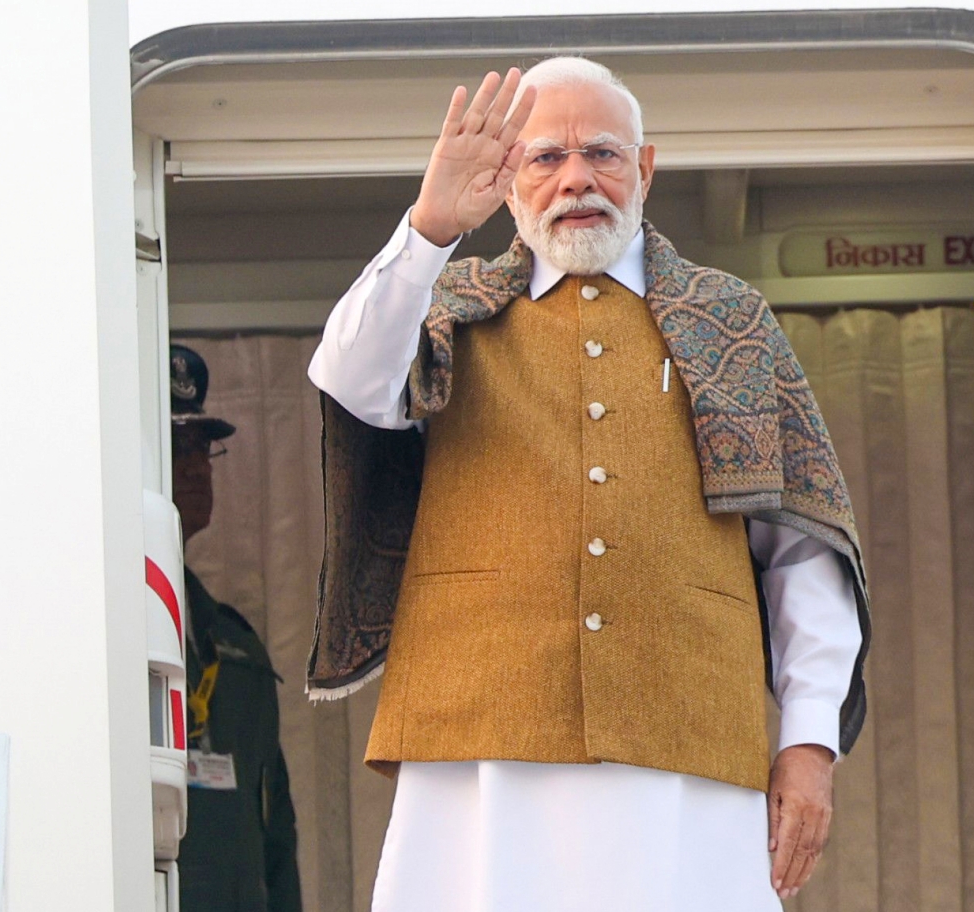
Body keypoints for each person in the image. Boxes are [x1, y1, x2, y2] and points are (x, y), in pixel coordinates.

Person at [307, 58, 870, 911]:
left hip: (689, 741)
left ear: (645, 169)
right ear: (508, 181)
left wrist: (809, 742)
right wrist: (430, 227)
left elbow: (803, 551)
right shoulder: (446, 307)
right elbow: (350, 380)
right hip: (478, 748)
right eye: (545, 158)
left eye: (602, 153)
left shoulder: (731, 320)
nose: (576, 179)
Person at [170, 343, 303, 912]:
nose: (197, 466)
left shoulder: (236, 647)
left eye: (203, 448)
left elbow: (276, 842)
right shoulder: (102, 635)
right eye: (178, 446)